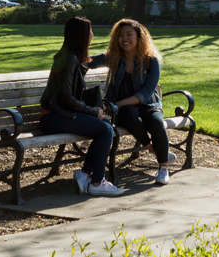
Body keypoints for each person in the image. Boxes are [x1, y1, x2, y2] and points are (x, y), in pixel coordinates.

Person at [40, 17, 125, 196]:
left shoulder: (72, 57)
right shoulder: (69, 59)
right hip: (53, 117)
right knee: (105, 129)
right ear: (82, 35)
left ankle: (86, 173)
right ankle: (96, 182)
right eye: (90, 31)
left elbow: (70, 94)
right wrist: (93, 111)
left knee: (106, 127)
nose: (93, 34)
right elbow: (65, 97)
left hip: (60, 114)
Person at [102, 19, 177, 184]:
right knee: (128, 113)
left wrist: (118, 104)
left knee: (157, 123)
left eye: (129, 34)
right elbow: (90, 60)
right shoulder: (115, 58)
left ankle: (163, 168)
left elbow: (145, 94)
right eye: (120, 35)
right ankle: (154, 149)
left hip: (148, 105)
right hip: (125, 110)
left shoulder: (151, 61)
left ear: (139, 37)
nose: (124, 39)